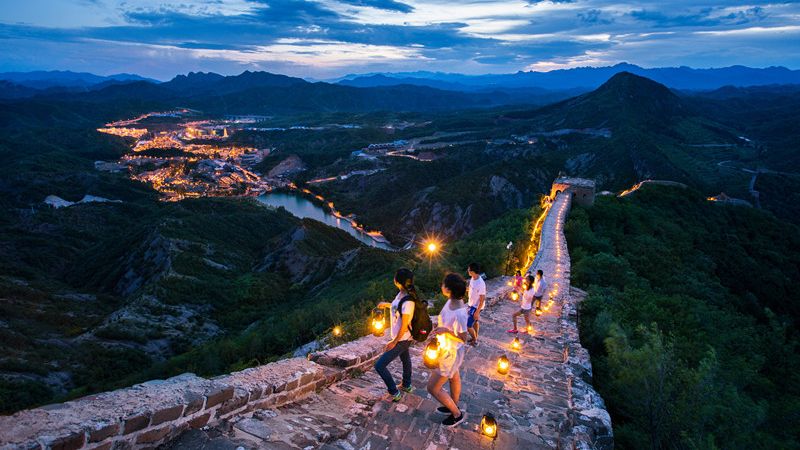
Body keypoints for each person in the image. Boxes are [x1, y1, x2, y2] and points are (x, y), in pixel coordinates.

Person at [427, 273, 469, 427]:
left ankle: (457, 415)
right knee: (454, 377)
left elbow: (463, 338)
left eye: (444, 284)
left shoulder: (460, 313)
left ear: (449, 289)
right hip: (446, 347)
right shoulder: (452, 301)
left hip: (451, 353)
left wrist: (446, 331)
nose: (442, 285)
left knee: (432, 387)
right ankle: (452, 404)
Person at [374, 268, 417, 402]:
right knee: (405, 360)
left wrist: (394, 342)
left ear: (398, 281)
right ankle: (407, 385)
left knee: (379, 365)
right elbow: (396, 307)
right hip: (402, 338)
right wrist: (385, 305)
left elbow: (405, 324)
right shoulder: (401, 294)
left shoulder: (409, 300)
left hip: (402, 339)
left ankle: (394, 391)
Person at [466, 263, 486, 346]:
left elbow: (482, 299)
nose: (468, 270)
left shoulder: (481, 283)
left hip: (476, 306)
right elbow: (471, 289)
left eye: (469, 269)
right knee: (475, 322)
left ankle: (475, 341)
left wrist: (477, 312)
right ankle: (475, 337)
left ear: (472, 271)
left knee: (468, 325)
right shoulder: (473, 278)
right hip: (471, 304)